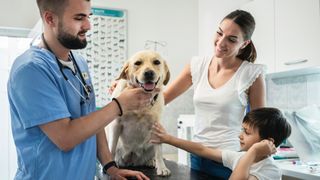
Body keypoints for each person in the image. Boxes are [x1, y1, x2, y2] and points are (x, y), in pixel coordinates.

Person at [7, 0, 153, 179]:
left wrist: (110, 167)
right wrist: (119, 105)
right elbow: (65, 137)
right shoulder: (31, 69)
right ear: (50, 18)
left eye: (88, 17)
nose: (88, 25)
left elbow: (93, 121)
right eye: (79, 18)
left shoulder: (79, 62)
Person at [162, 9, 266, 179]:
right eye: (219, 33)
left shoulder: (251, 73)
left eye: (232, 39)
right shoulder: (197, 66)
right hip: (197, 156)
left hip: (231, 159)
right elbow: (162, 98)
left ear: (245, 44)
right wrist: (127, 85)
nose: (221, 42)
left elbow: (260, 126)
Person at [151, 107, 292, 180]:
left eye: (247, 133)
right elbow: (202, 150)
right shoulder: (240, 157)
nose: (240, 135)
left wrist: (254, 151)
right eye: (242, 130)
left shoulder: (270, 170)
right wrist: (167, 138)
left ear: (267, 142)